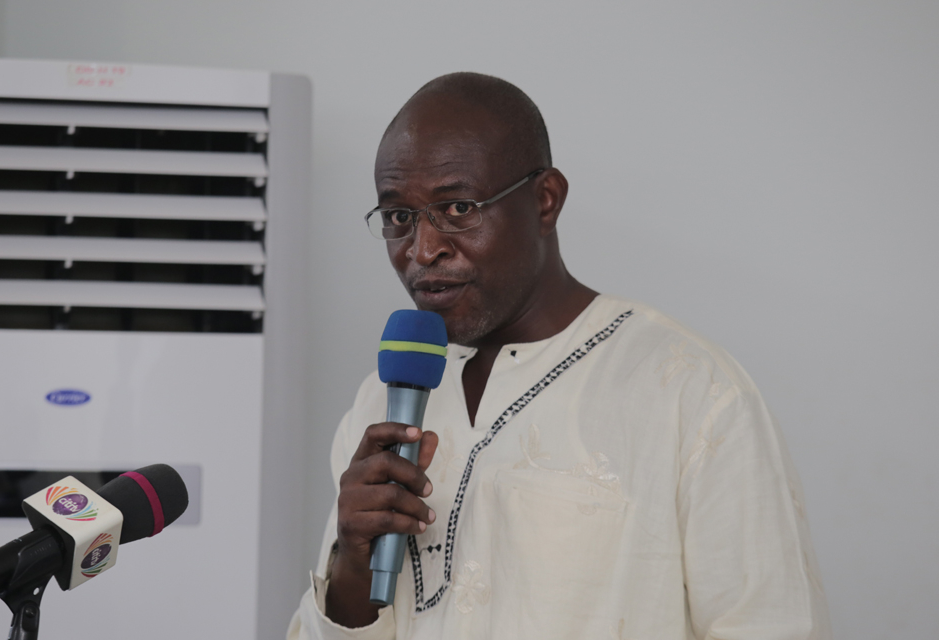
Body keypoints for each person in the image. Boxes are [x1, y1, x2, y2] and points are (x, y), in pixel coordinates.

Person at [288, 72, 831, 639]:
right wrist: (352, 565)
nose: (422, 250)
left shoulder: (691, 391)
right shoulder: (381, 402)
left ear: (545, 200)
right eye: (399, 217)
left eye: (458, 208)